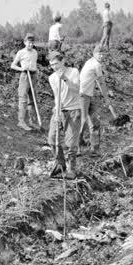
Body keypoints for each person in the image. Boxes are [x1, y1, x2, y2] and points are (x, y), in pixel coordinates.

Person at [48, 51, 81, 179]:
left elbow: (77, 89)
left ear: (63, 61)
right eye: (52, 65)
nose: (54, 67)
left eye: (56, 63)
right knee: (52, 138)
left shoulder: (74, 72)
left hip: (74, 110)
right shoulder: (52, 78)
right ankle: (60, 163)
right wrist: (56, 111)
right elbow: (57, 96)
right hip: (60, 110)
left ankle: (72, 169)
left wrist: (65, 79)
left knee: (71, 143)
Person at [79, 47, 112, 155]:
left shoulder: (90, 62)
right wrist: (107, 99)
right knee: (84, 121)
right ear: (94, 54)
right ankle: (77, 145)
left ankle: (94, 148)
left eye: (103, 54)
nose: (101, 56)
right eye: (99, 54)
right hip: (82, 95)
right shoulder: (96, 65)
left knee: (94, 121)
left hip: (87, 94)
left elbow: (97, 80)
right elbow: (101, 83)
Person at [10, 33, 39, 132]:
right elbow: (13, 65)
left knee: (33, 99)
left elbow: (34, 64)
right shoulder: (21, 52)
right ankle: (21, 122)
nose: (30, 45)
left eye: (32, 43)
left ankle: (33, 122)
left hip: (34, 75)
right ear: (25, 42)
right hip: (25, 76)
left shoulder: (35, 52)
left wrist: (35, 71)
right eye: (29, 43)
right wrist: (22, 68)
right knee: (23, 99)